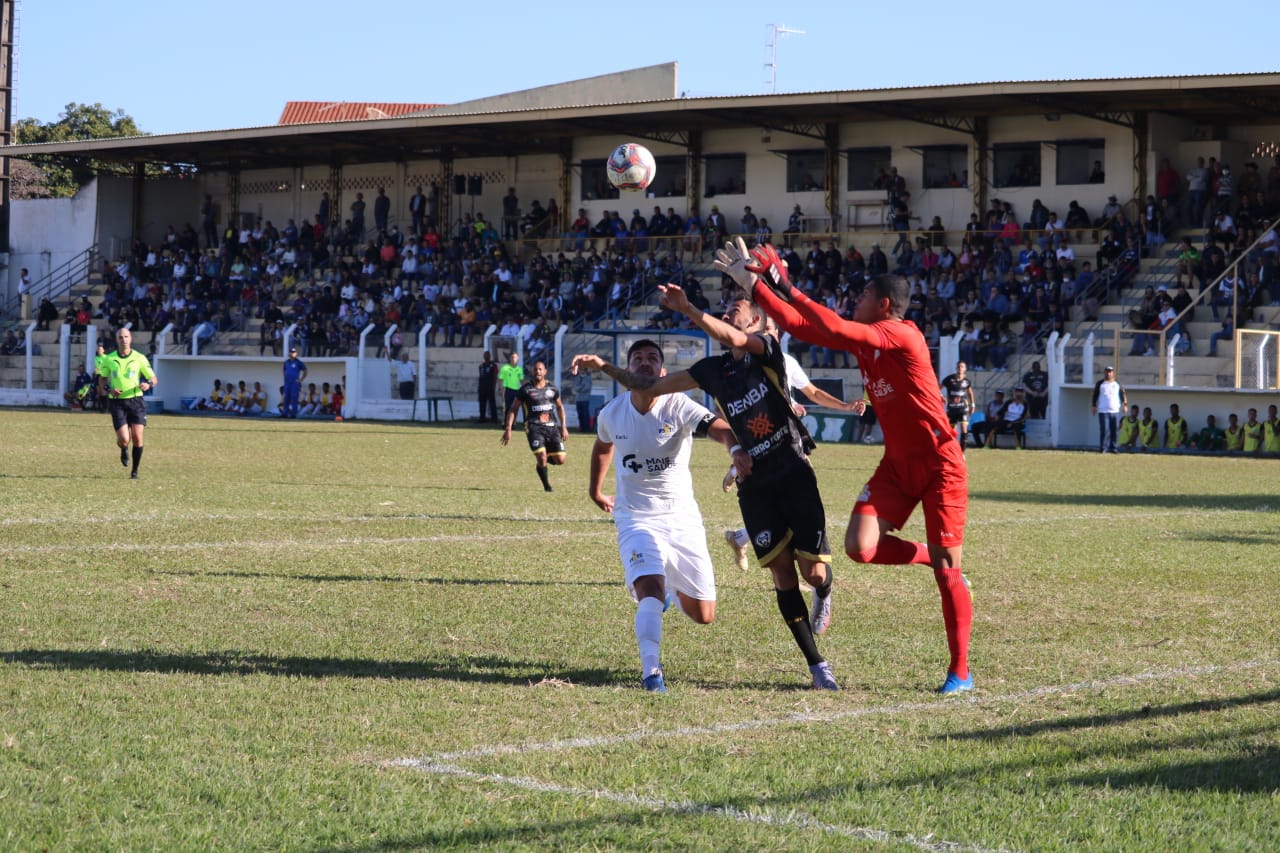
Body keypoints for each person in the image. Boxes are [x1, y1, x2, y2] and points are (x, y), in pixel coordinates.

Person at [718, 238, 973, 695]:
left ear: (885, 305)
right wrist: (762, 286)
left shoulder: (902, 334)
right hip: (897, 464)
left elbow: (830, 322)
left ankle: (960, 672)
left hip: (941, 464)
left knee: (948, 574)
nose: (855, 301)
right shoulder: (867, 342)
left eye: (863, 297)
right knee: (860, 547)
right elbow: (808, 325)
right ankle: (924, 554)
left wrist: (778, 284)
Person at [571, 285, 840, 692]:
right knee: (780, 576)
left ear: (757, 324)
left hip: (787, 476)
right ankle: (816, 667)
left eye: (737, 310)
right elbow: (629, 404)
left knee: (802, 575)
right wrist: (604, 366)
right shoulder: (708, 371)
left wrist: (687, 307)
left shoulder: (766, 350)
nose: (729, 315)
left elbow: (717, 417)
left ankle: (824, 588)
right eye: (726, 308)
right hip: (735, 492)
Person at [582, 339, 738, 692]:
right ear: (626, 370)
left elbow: (718, 428)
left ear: (664, 372)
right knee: (649, 589)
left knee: (704, 614)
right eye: (637, 358)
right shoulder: (612, 412)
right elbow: (603, 445)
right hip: (635, 516)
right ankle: (651, 672)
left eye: (653, 358)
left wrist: (737, 447)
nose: (645, 363)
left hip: (682, 518)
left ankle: (671, 594)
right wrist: (595, 490)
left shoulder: (678, 404)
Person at [500, 359, 568, 492]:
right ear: (532, 372)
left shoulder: (552, 388)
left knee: (560, 460)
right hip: (533, 427)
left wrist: (564, 426)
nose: (537, 371)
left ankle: (544, 456)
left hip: (552, 427)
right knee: (541, 457)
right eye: (535, 369)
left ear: (545, 372)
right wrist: (509, 428)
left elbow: (560, 407)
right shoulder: (525, 390)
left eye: (540, 369)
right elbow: (513, 409)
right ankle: (547, 486)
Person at [98, 329, 156, 480]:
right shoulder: (109, 359)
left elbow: (154, 379)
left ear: (130, 338)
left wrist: (148, 384)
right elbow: (102, 380)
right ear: (116, 340)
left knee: (137, 437)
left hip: (136, 401)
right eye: (120, 337)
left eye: (126, 337)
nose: (123, 339)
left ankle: (135, 471)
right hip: (117, 402)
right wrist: (109, 389)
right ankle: (124, 448)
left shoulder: (140, 358)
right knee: (124, 439)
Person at [940, 361, 975, 451]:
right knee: (952, 431)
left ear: (965, 369)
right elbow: (937, 388)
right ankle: (953, 450)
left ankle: (962, 452)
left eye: (962, 367)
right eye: (959, 367)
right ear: (956, 368)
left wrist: (973, 405)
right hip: (952, 409)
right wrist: (941, 396)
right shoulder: (949, 379)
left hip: (963, 408)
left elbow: (970, 393)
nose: (960, 368)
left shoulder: (967, 382)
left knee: (964, 429)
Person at [1091, 366, 1125, 453]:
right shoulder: (1100, 383)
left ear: (1113, 373)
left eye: (1110, 372)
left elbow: (1122, 394)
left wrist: (1125, 404)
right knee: (1105, 430)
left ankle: (1113, 448)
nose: (1108, 373)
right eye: (1107, 371)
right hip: (1103, 411)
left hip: (1115, 410)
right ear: (1104, 373)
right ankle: (1103, 448)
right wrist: (1094, 406)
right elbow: (1095, 395)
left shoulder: (1117, 383)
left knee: (1114, 430)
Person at [281, 346, 308, 418]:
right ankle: (285, 413)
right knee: (286, 398)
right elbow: (284, 370)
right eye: (291, 352)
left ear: (296, 353)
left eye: (294, 352)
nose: (292, 354)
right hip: (287, 383)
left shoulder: (298, 362)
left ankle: (293, 414)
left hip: (294, 383)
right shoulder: (286, 362)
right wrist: (285, 379)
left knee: (294, 398)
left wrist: (301, 379)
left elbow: (305, 371)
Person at [498, 351, 525, 421]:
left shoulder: (519, 369)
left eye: (515, 357)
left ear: (518, 358)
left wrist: (525, 389)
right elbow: (500, 379)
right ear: (510, 358)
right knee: (507, 407)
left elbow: (522, 380)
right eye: (512, 357)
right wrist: (500, 389)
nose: (513, 359)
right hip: (507, 390)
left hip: (516, 390)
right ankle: (506, 423)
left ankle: (513, 423)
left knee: (515, 408)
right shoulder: (505, 368)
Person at [476, 351, 499, 424]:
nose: (486, 356)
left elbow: (495, 375)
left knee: (492, 403)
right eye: (485, 355)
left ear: (489, 356)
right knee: (482, 402)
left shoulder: (493, 365)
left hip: (490, 386)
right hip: (482, 387)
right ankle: (482, 418)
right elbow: (480, 377)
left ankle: (494, 419)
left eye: (487, 355)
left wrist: (494, 385)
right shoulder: (481, 365)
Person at [571, 363, 594, 434]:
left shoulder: (588, 378)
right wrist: (581, 387)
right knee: (580, 415)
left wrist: (579, 388)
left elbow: (587, 388)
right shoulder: (577, 377)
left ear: (585, 370)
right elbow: (575, 388)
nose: (581, 371)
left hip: (585, 399)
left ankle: (587, 429)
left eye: (582, 369)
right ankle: (582, 428)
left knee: (585, 415)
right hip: (578, 399)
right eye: (580, 369)